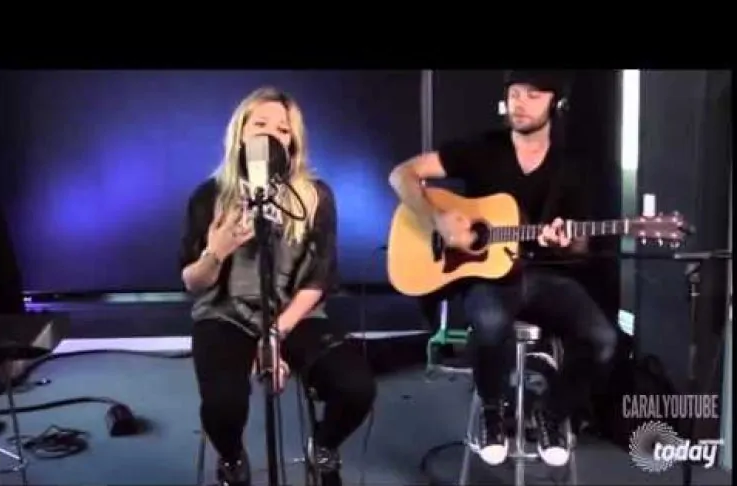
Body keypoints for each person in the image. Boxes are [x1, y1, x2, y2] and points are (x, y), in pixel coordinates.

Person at [388, 70, 618, 467]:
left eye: (533, 94)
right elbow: (401, 174)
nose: (520, 102)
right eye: (514, 93)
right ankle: (492, 413)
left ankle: (551, 414)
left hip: (545, 277)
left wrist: (566, 241)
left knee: (603, 339)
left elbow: (580, 250)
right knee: (491, 320)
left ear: (555, 103)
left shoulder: (572, 167)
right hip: (487, 276)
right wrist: (437, 219)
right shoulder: (481, 149)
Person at [180, 86, 377, 486]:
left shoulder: (315, 198)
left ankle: (324, 446)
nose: (271, 135)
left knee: (356, 388)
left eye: (283, 130)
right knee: (223, 405)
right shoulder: (208, 196)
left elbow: (320, 278)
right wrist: (216, 252)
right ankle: (231, 459)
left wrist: (275, 333)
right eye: (260, 125)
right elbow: (192, 282)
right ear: (240, 134)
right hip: (224, 315)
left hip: (295, 316)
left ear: (293, 143)